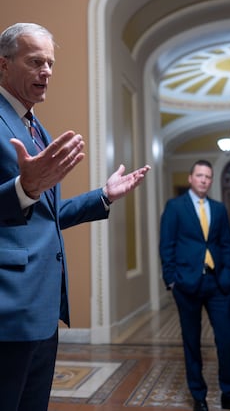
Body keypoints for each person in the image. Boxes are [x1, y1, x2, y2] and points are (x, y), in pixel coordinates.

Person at [0, 22, 150, 411]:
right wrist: (22, 190)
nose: (46, 71)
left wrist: (102, 196)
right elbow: (24, 198)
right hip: (8, 308)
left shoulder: (36, 127)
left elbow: (44, 215)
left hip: (43, 307)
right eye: (35, 62)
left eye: (50, 63)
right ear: (3, 65)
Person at [159, 160, 230, 411]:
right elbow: (166, 245)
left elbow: (226, 244)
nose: (204, 180)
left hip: (218, 283)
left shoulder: (218, 208)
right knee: (192, 341)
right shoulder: (175, 207)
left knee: (227, 338)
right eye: (200, 175)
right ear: (191, 178)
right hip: (186, 283)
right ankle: (199, 396)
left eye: (208, 176)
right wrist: (172, 279)